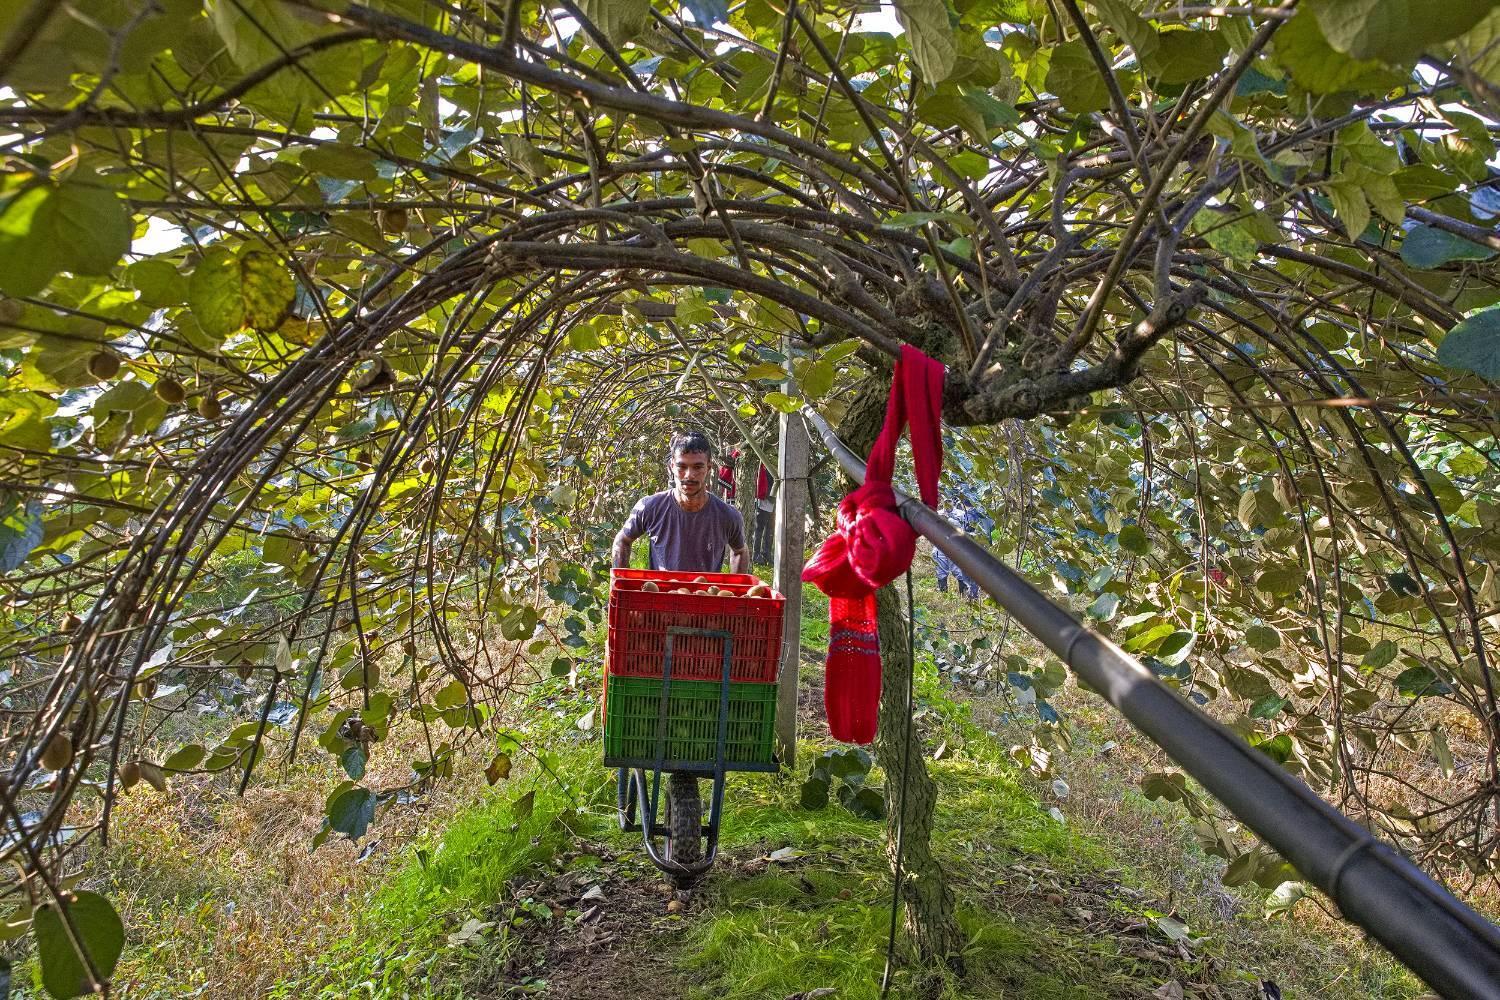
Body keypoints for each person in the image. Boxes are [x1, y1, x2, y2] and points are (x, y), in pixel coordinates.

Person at [613, 431, 751, 574]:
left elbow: (740, 551)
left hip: (706, 589)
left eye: (697, 467)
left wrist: (736, 586)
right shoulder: (650, 507)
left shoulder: (727, 515)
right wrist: (620, 582)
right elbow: (622, 540)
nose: (689, 475)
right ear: (672, 466)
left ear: (708, 468)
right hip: (660, 589)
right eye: (682, 467)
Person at [753, 462, 774, 565]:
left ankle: (766, 553)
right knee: (759, 528)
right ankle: (756, 554)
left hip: (773, 498)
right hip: (764, 498)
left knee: (770, 528)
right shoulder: (764, 462)